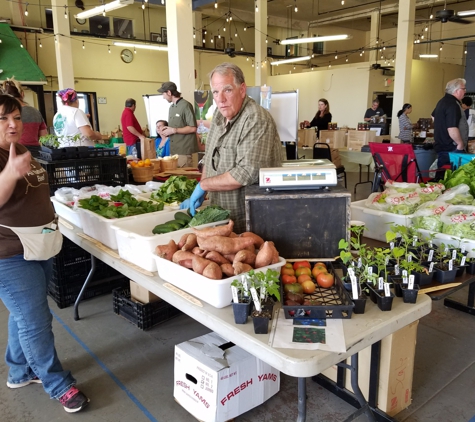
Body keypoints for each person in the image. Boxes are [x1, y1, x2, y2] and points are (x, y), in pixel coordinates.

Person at [0, 94, 89, 413]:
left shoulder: (20, 149)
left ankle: (21, 371)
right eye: (3, 119)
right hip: (8, 253)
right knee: (35, 319)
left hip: (39, 243)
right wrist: (10, 173)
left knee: (23, 314)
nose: (13, 124)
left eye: (16, 117)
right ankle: (57, 384)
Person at [180, 63, 283, 233]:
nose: (220, 99)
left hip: (248, 223)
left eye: (227, 90)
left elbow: (245, 173)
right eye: (215, 92)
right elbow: (209, 157)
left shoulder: (255, 118)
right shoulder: (220, 117)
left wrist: (204, 186)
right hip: (220, 218)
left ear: (242, 90)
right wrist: (203, 186)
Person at [1, 78, 48, 156]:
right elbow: (44, 136)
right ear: (22, 94)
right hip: (36, 153)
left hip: (13, 153)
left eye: (17, 118)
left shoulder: (3, 113)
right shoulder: (35, 112)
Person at [157, 81, 197, 167]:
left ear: (169, 92)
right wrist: (166, 129)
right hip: (173, 151)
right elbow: (175, 127)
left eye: (163, 94)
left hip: (184, 151)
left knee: (184, 179)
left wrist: (173, 130)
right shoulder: (171, 108)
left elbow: (193, 128)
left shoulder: (186, 105)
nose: (163, 97)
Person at [431, 78, 468, 170]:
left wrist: (441, 128)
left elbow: (433, 116)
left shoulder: (442, 101)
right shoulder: (453, 104)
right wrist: (460, 144)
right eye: (463, 89)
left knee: (442, 175)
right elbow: (452, 128)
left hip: (442, 145)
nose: (465, 91)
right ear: (456, 91)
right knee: (452, 177)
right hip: (451, 147)